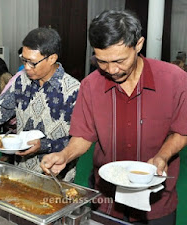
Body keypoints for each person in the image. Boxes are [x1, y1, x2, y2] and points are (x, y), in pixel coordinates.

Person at [41, 10, 187, 224]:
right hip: (106, 200)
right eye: (102, 62)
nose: (112, 70)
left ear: (138, 45)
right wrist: (65, 155)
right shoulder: (91, 85)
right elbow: (83, 136)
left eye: (119, 60)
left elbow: (181, 130)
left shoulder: (174, 80)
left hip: (156, 201)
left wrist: (162, 156)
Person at [0, 27, 80, 179]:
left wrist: (43, 145)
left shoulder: (74, 90)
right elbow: (0, 109)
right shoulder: (21, 80)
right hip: (22, 169)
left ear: (52, 58)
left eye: (32, 63)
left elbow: (79, 140)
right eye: (23, 60)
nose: (26, 67)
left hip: (56, 174)